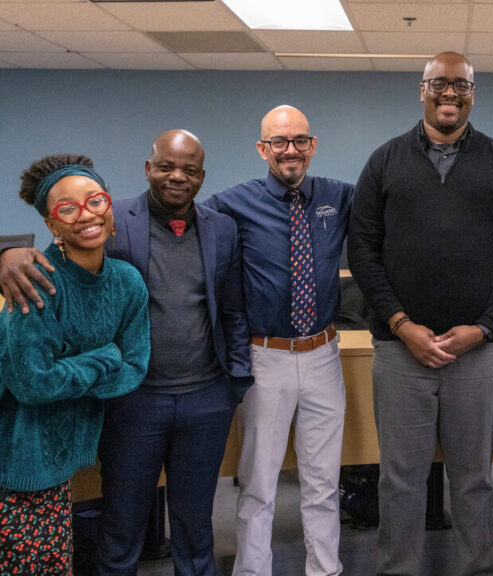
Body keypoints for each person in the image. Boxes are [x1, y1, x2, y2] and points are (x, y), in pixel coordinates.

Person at [348, 51, 493, 576]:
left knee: (474, 478)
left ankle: (481, 568)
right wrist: (402, 325)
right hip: (399, 351)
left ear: (473, 92)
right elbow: (362, 248)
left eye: (460, 84)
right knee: (399, 478)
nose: (449, 93)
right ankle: (398, 569)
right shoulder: (384, 160)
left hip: (478, 353)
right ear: (422, 89)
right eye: (439, 84)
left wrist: (484, 327)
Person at [92, 130, 250, 576]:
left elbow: (234, 309)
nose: (177, 176)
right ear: (148, 168)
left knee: (195, 525)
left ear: (201, 177)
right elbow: (65, 260)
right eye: (166, 166)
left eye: (189, 169)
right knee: (122, 525)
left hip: (206, 401)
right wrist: (11, 259)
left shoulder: (222, 228)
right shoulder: (114, 219)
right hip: (135, 401)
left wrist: (234, 383)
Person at [205, 105, 353, 576]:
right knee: (260, 483)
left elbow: (399, 209)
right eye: (279, 142)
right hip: (265, 356)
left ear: (312, 145)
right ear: (262, 148)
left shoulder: (338, 197)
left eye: (300, 141)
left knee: (323, 481)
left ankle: (325, 570)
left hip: (324, 354)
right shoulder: (230, 203)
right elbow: (177, 231)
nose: (291, 150)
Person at [0, 155, 150, 574]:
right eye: (67, 207)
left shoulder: (126, 281)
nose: (86, 215)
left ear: (109, 207)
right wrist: (103, 357)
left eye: (95, 200)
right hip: (20, 460)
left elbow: (134, 369)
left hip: (67, 460)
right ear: (52, 224)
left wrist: (67, 373)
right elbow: (31, 383)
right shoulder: (34, 280)